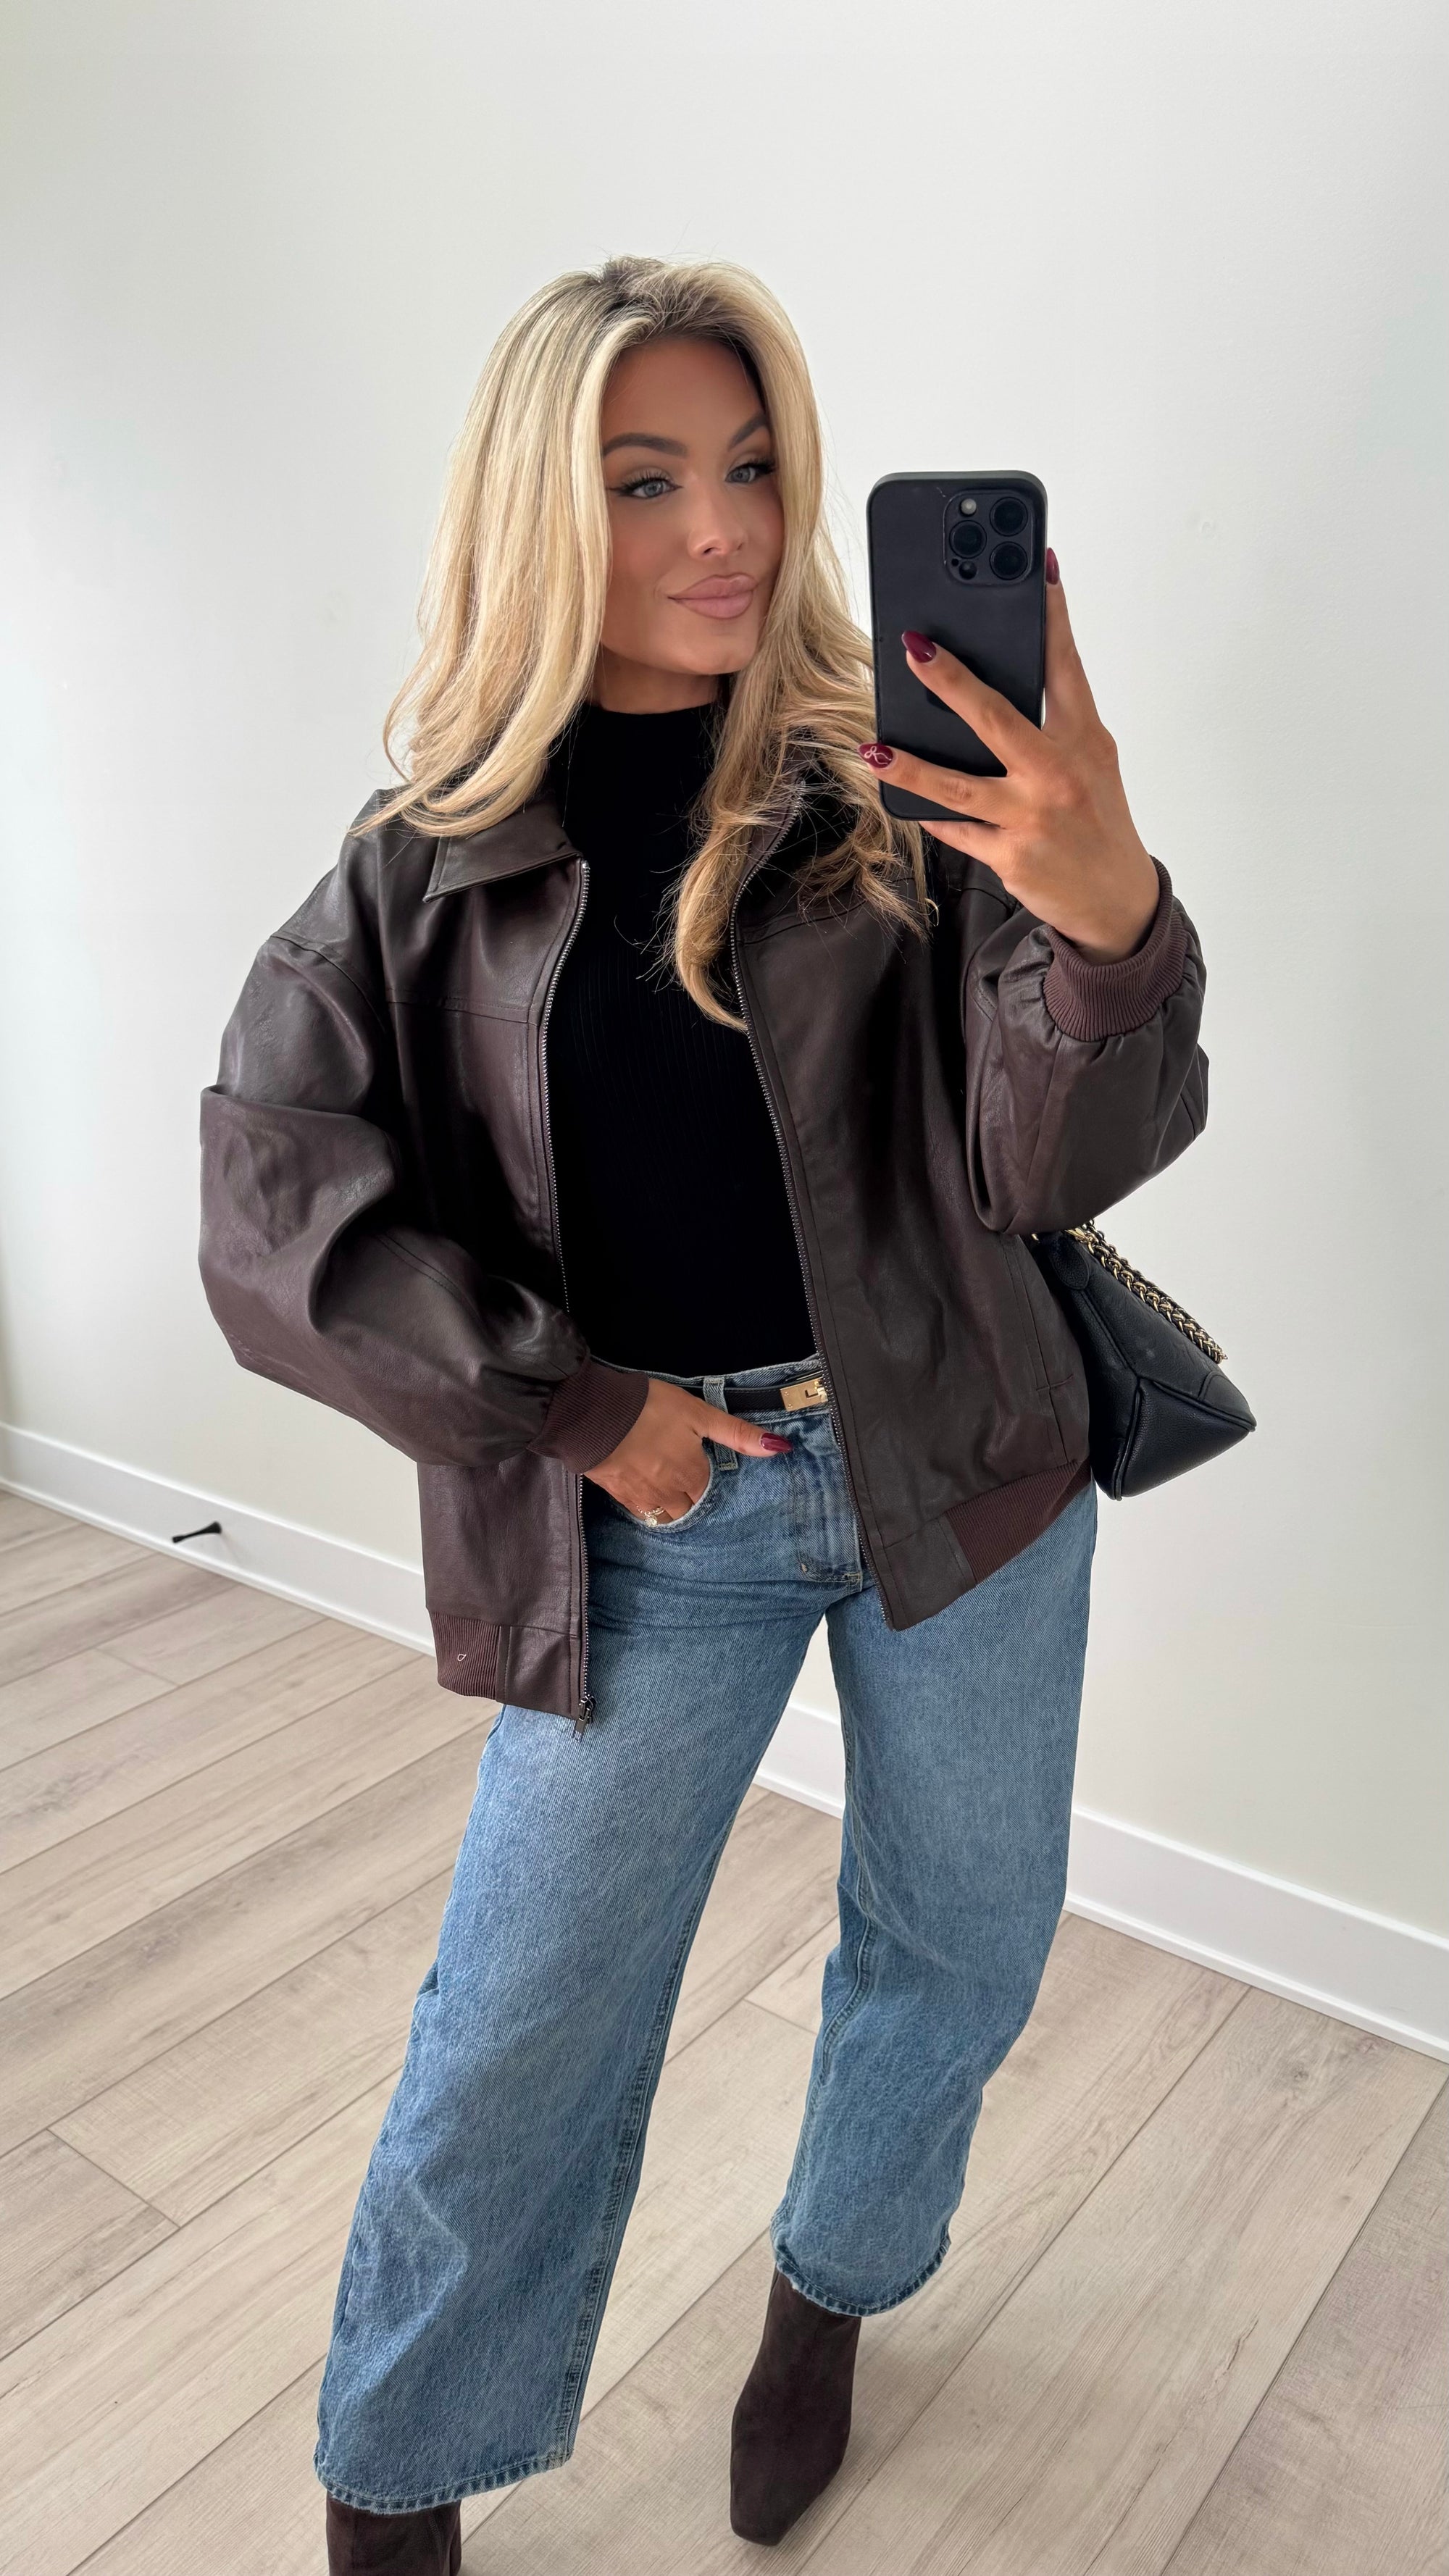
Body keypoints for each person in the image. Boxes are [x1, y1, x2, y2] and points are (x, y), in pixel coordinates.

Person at [199, 254, 1206, 2575]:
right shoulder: (424, 862)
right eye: (645, 478)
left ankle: (827, 2297)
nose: (724, 528)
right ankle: (396, 2473)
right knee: (523, 2019)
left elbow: (1058, 1162)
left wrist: (1105, 915)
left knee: (962, 1940)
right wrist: (570, 1403)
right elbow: (272, 1211)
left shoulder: (899, 793)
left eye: (752, 466)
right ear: (539, 508)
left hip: (974, 1459)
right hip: (656, 1509)